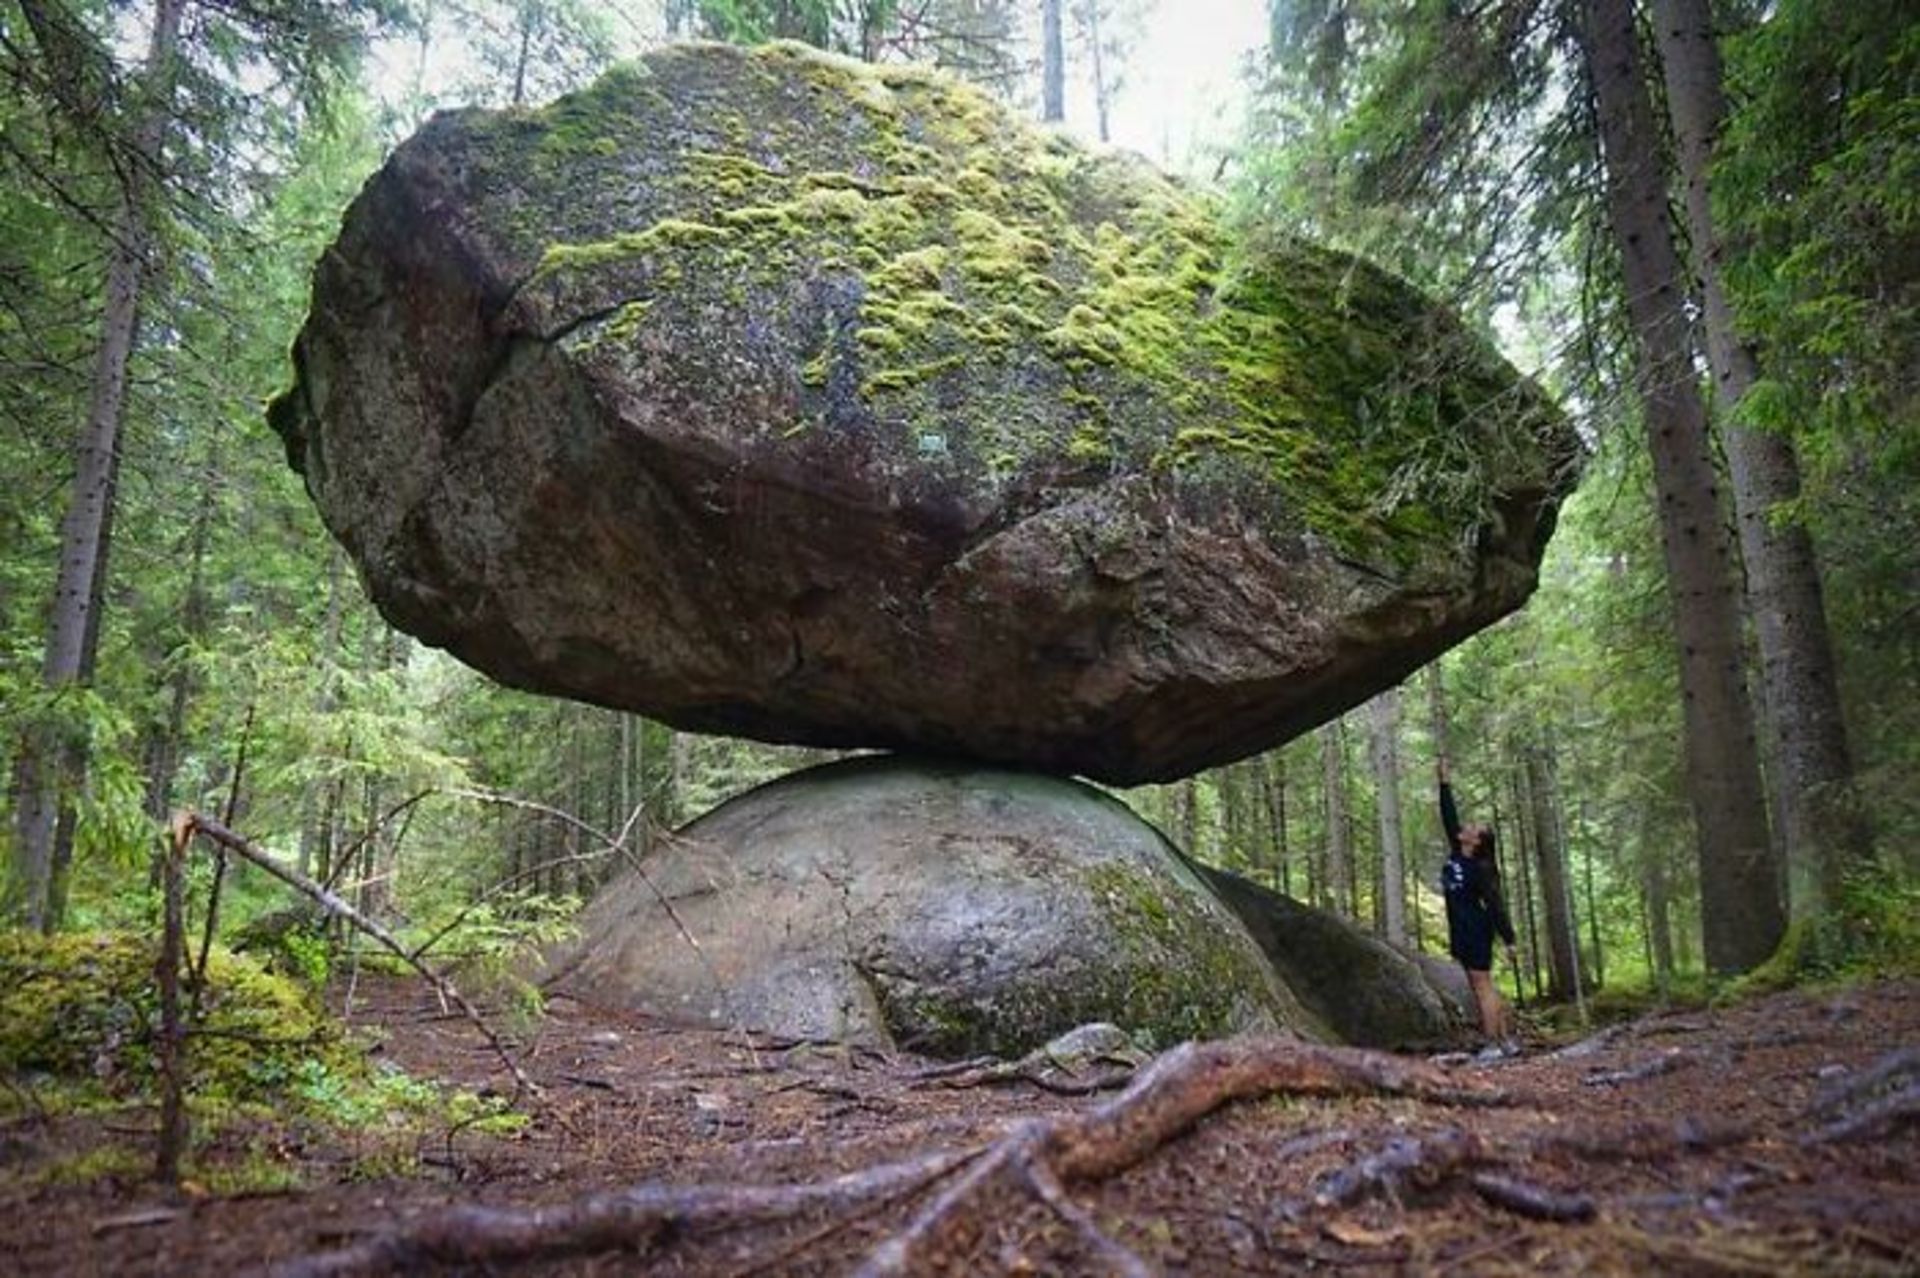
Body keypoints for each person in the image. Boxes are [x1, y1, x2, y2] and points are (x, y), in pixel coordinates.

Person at [1437, 756, 1520, 1057]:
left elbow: (1496, 904)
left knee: (1482, 985)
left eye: (1473, 829)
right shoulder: (1457, 852)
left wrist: (1509, 940)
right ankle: (1504, 1041)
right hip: (1461, 926)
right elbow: (1448, 816)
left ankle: (1493, 1045)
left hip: (1475, 927)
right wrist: (1444, 782)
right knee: (1480, 985)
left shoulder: (1480, 868)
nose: (1466, 827)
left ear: (1477, 842)